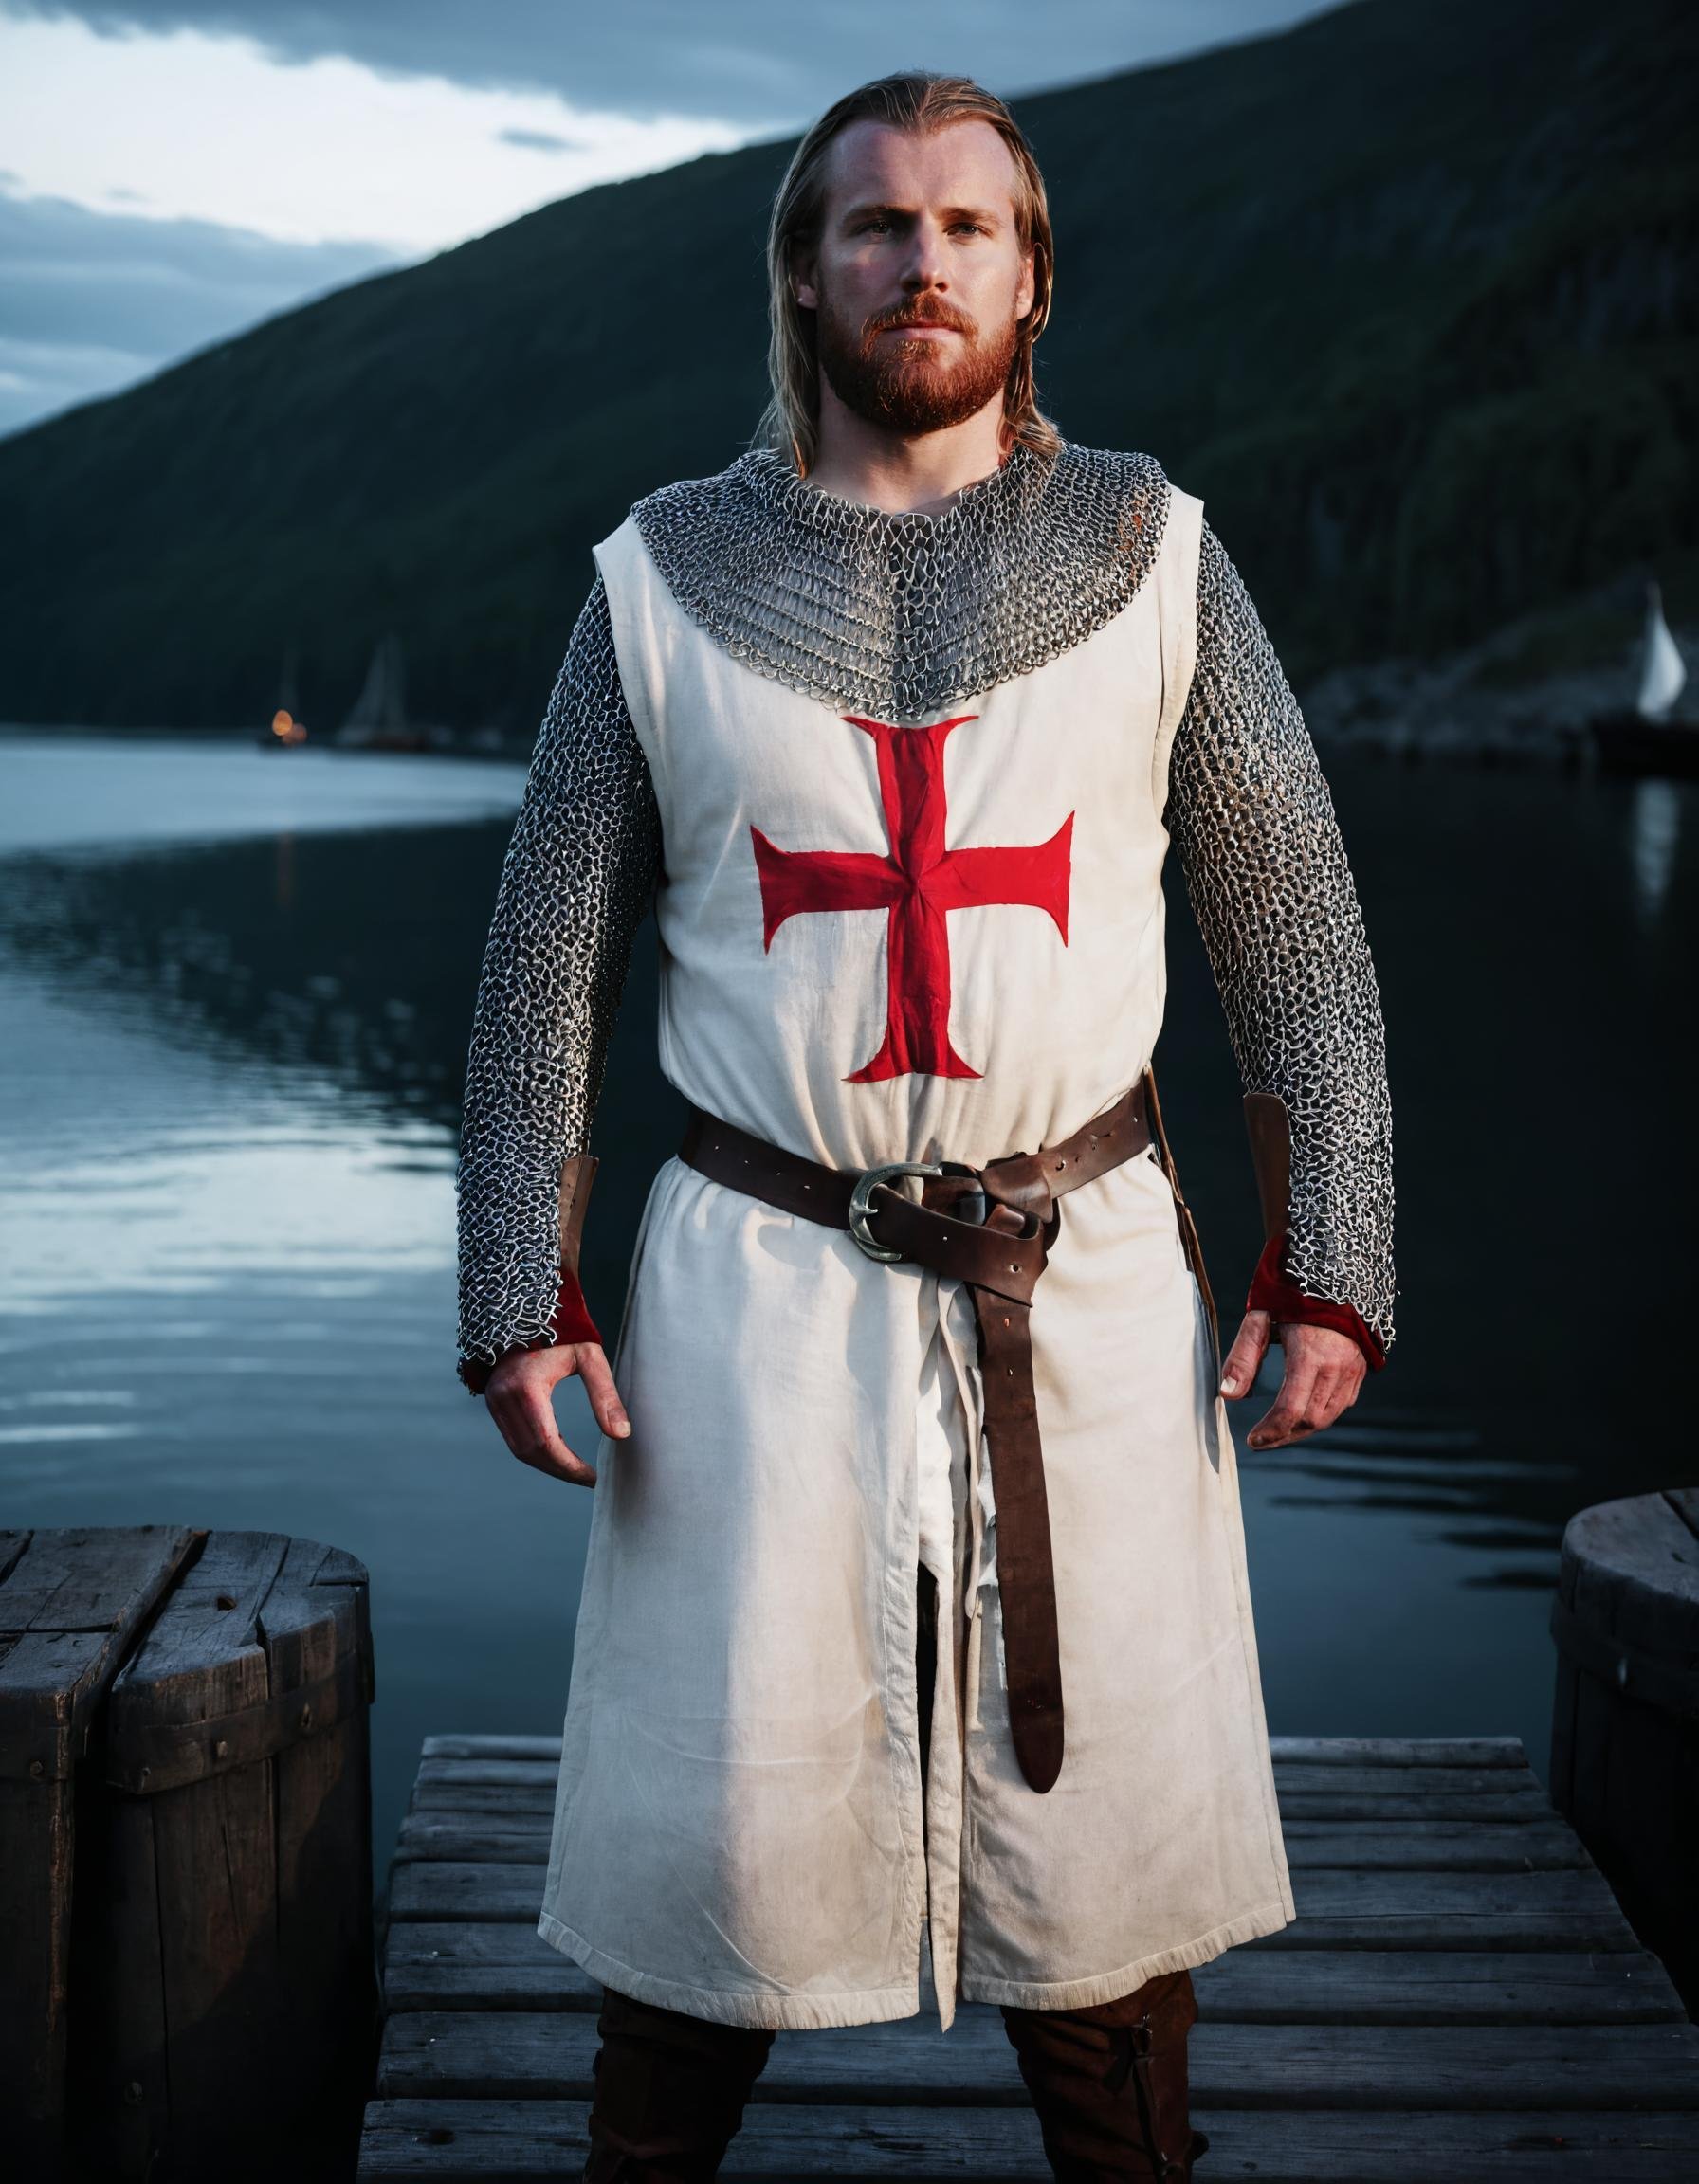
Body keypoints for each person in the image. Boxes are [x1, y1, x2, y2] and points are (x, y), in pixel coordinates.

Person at [455, 71, 1395, 2184]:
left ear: (1032, 275)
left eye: (970, 224)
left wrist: (1327, 1247)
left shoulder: (1151, 557)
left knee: (1102, 1892)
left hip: (1078, 1292)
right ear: (803, 271)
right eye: (875, 222)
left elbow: (1293, 924)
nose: (922, 259)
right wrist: (521, 1289)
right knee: (715, 1865)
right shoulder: (662, 582)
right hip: (750, 1303)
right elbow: (540, 970)